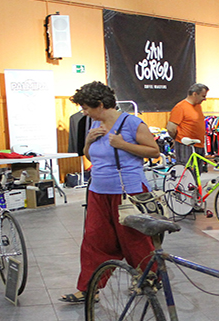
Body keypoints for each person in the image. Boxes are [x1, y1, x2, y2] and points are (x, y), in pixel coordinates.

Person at [60, 81, 160, 303]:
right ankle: (89, 288)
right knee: (94, 240)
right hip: (98, 192)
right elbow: (92, 157)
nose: (84, 112)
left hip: (128, 192)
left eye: (86, 107)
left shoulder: (132, 124)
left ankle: (149, 278)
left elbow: (154, 152)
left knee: (134, 239)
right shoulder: (92, 125)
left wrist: (123, 144)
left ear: (101, 105)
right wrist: (87, 143)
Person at [167, 83, 209, 165]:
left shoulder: (198, 106)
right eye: (203, 96)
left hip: (199, 144)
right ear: (195, 94)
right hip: (185, 145)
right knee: (186, 172)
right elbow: (171, 128)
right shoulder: (180, 107)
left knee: (197, 173)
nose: (205, 99)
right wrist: (178, 139)